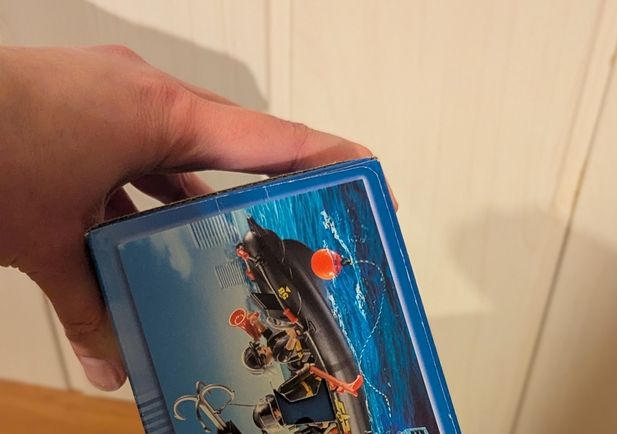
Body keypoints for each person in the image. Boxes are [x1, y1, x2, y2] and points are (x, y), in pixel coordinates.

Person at [0, 44, 374, 391]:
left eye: (259, 354)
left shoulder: (272, 329)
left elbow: (269, 327)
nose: (263, 352)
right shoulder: (277, 336)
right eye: (262, 356)